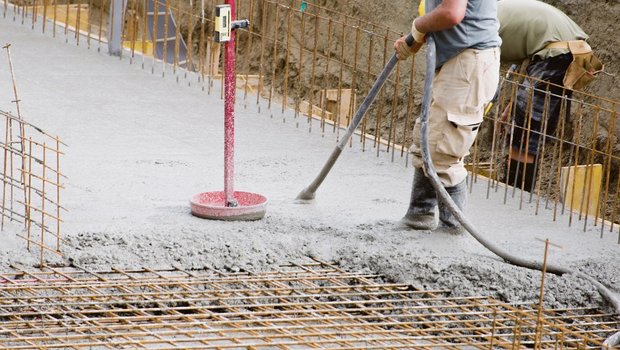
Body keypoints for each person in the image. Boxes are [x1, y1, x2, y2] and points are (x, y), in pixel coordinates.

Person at [393, 0, 501, 232]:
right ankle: (418, 215)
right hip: (460, 58)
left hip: (469, 63)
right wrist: (415, 37)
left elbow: (452, 13)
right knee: (430, 137)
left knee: (445, 148)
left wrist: (418, 26)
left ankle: (452, 229)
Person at [496, 0, 601, 192]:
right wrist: (511, 108)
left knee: (526, 134)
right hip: (561, 52)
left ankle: (515, 196)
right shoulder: (490, 12)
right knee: (524, 127)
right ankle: (513, 193)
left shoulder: (478, 25)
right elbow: (527, 74)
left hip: (557, 54)